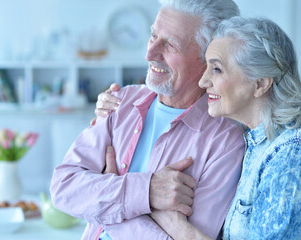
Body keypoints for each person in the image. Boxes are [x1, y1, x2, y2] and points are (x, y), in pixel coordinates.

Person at [50, 0, 245, 239]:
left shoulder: (225, 142)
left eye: (171, 44)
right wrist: (147, 193)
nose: (150, 53)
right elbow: (64, 188)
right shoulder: (119, 102)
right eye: (153, 35)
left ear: (209, 60)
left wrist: (106, 199)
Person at [101, 16, 301, 239]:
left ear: (261, 84)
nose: (203, 81)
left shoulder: (290, 156)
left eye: (216, 69)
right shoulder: (252, 141)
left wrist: (171, 222)